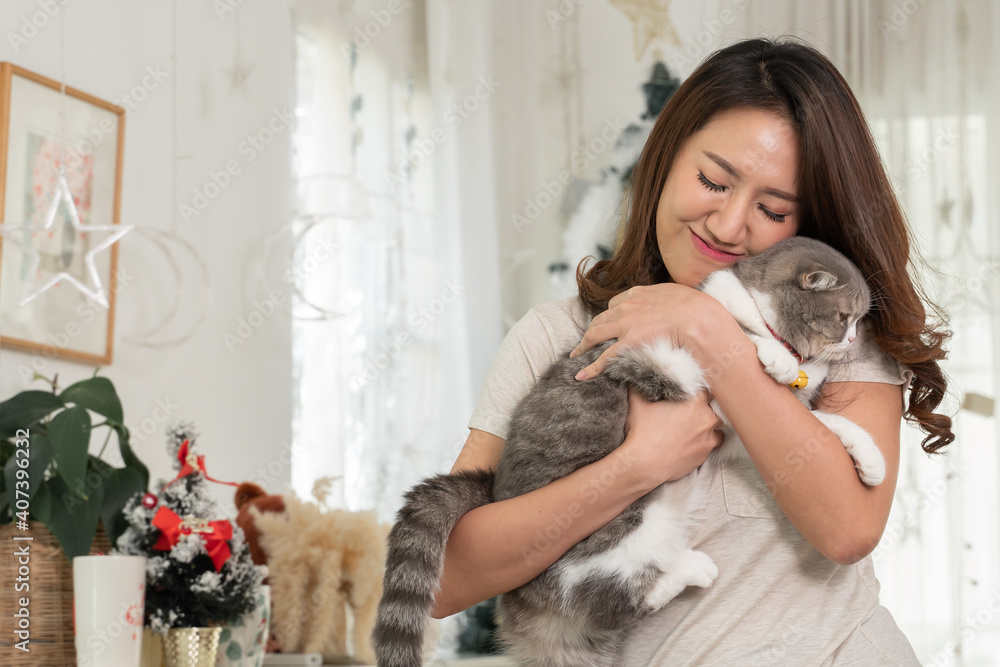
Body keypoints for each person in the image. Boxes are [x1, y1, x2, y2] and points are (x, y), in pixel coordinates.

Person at [431, 37, 953, 664]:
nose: (729, 226)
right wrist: (637, 466)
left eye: (772, 209)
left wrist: (704, 326)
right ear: (666, 158)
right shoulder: (559, 336)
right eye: (712, 180)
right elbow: (446, 578)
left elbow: (847, 529)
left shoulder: (836, 337)